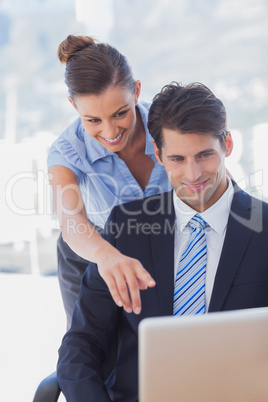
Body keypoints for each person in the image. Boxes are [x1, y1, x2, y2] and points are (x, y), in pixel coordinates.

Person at [57, 82, 268, 401]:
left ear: (227, 144)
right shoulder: (126, 226)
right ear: (158, 154)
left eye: (205, 155)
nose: (193, 174)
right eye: (177, 159)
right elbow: (82, 343)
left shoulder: (264, 228)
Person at [48, 35, 172, 328]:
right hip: (93, 256)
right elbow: (71, 221)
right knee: (95, 357)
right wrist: (105, 254)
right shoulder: (66, 151)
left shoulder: (170, 124)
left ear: (137, 92)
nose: (110, 131)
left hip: (167, 248)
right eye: (93, 120)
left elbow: (217, 180)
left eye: (120, 113)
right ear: (73, 106)